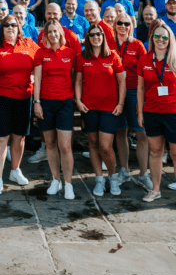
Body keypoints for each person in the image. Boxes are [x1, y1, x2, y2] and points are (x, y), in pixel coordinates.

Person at [0, 15, 38, 194]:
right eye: (7, 25)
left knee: (19, 137)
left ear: (19, 26)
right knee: (0, 138)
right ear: (2, 28)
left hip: (23, 97)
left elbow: (40, 65)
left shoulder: (29, 44)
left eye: (14, 25)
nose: (10, 28)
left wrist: (35, 79)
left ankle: (15, 170)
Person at [75, 22, 126, 196]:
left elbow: (121, 82)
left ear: (103, 37)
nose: (96, 37)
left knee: (106, 146)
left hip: (109, 108)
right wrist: (79, 101)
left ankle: (112, 177)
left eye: (99, 34)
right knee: (93, 143)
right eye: (92, 35)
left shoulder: (113, 56)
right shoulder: (83, 57)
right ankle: (99, 178)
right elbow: (78, 81)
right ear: (88, 38)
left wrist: (120, 103)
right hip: (89, 108)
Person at [33, 20, 77, 199]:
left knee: (65, 146)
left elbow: (75, 77)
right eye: (49, 32)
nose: (52, 34)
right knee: (50, 144)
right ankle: (55, 179)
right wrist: (36, 102)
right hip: (46, 103)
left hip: (65, 103)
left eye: (55, 31)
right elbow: (37, 78)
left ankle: (68, 183)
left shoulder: (70, 53)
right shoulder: (40, 53)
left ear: (60, 32)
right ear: (45, 34)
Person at [136, 21, 176, 201]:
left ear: (170, 40)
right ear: (152, 38)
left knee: (175, 153)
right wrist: (140, 113)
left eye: (164, 37)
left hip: (173, 112)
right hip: (151, 111)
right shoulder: (145, 59)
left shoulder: (175, 58)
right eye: (157, 36)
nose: (161, 40)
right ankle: (155, 189)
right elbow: (140, 89)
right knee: (155, 152)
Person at [114, 13, 150, 189]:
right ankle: (125, 170)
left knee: (141, 133)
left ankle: (144, 174)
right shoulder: (110, 43)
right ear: (114, 25)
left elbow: (145, 71)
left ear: (131, 25)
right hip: (115, 92)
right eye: (119, 22)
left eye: (126, 23)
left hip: (135, 91)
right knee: (121, 132)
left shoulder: (138, 45)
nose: (122, 26)